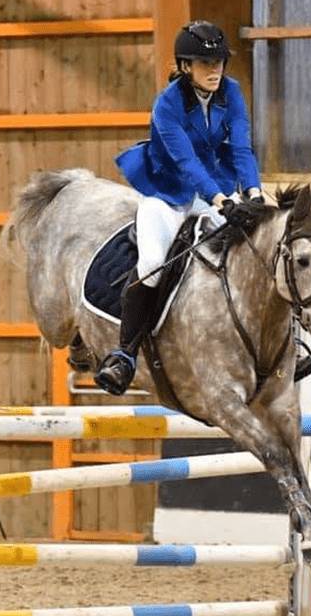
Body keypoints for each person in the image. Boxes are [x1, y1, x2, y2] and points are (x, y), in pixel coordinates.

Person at [93, 20, 263, 395]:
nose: (215, 70)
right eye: (205, 63)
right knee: (154, 265)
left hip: (213, 188)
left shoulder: (231, 93)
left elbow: (242, 149)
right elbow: (186, 163)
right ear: (186, 67)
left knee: (253, 249)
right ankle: (125, 355)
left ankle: (282, 346)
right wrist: (222, 201)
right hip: (167, 193)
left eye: (219, 61)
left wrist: (253, 192)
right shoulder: (167, 104)